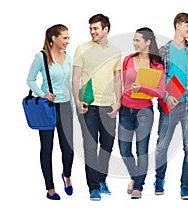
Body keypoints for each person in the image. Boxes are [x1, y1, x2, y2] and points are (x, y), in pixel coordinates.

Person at [154, 12, 188, 200]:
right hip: (169, 106)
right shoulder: (162, 51)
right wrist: (166, 96)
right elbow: (157, 79)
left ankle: (185, 185)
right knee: (161, 146)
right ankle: (159, 180)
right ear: (177, 25)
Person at [72, 13, 122, 201]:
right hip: (88, 106)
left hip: (108, 106)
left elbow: (117, 78)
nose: (92, 31)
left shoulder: (116, 51)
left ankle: (102, 180)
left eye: (96, 28)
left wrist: (118, 102)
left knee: (107, 146)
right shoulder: (82, 49)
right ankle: (93, 187)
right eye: (90, 28)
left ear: (105, 29)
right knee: (90, 147)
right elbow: (76, 77)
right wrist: (77, 100)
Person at [26, 24, 74, 200]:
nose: (68, 41)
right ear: (54, 38)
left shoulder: (67, 57)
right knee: (47, 148)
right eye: (65, 38)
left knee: (68, 148)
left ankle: (67, 176)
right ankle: (50, 188)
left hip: (66, 106)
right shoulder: (41, 57)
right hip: (49, 108)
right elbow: (30, 80)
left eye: (68, 38)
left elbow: (70, 83)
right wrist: (42, 94)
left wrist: (75, 107)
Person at [118, 27, 165, 199]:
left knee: (142, 150)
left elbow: (160, 92)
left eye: (138, 40)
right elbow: (123, 85)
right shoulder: (128, 60)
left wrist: (143, 88)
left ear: (148, 42)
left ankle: (138, 186)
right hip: (125, 110)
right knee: (124, 149)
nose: (135, 43)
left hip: (144, 111)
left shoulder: (156, 65)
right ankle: (134, 176)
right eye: (134, 40)